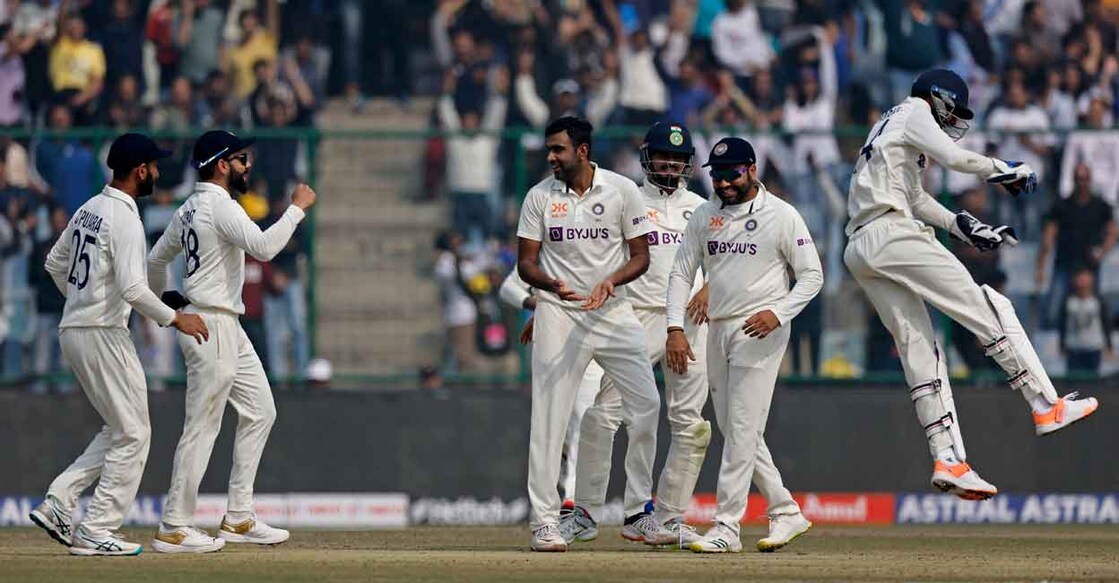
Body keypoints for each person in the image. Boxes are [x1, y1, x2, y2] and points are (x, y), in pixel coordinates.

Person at [843, 68, 1099, 502]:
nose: (954, 119)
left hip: (861, 246)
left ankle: (948, 459)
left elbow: (915, 197)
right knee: (989, 307)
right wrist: (1004, 168)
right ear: (938, 97)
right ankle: (1045, 404)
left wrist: (964, 226)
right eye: (954, 109)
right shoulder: (915, 111)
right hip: (892, 233)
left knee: (920, 349)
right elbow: (955, 159)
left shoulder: (889, 123)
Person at [28, 133, 209, 556]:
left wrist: (82, 299)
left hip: (76, 329)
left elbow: (55, 263)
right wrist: (175, 318)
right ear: (140, 170)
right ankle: (97, 527)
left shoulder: (89, 208)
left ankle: (59, 500)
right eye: (154, 167)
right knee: (135, 433)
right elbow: (132, 288)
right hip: (103, 333)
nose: (158, 173)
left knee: (121, 427)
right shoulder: (125, 218)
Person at [147, 130, 316, 553]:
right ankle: (174, 525)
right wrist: (296, 209)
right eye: (242, 159)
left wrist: (168, 299)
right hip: (211, 324)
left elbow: (156, 260)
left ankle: (239, 516)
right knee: (202, 425)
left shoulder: (189, 207)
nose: (248, 165)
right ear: (222, 165)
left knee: (261, 411)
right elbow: (265, 247)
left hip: (224, 324)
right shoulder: (219, 206)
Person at [665, 136, 821, 553]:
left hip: (760, 329)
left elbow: (812, 276)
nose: (724, 183)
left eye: (732, 174)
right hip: (717, 328)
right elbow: (681, 273)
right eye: (717, 176)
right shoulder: (705, 214)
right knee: (737, 429)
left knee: (740, 429)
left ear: (752, 169)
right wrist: (674, 327)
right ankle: (785, 509)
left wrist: (779, 313)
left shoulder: (782, 215)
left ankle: (727, 527)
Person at [557, 122, 704, 547]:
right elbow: (597, 256)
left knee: (691, 425)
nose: (671, 164)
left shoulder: (701, 207)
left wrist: (709, 289)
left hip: (691, 321)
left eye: (678, 158)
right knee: (604, 414)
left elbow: (720, 260)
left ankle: (662, 516)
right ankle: (585, 511)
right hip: (637, 317)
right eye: (663, 156)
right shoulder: (627, 199)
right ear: (647, 158)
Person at [517, 115, 659, 552]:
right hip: (559, 314)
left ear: (582, 151)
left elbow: (641, 257)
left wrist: (611, 281)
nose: (551, 157)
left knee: (647, 405)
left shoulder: (622, 190)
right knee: (549, 418)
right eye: (549, 149)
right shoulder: (539, 196)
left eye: (558, 149)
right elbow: (526, 263)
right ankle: (545, 522)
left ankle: (638, 512)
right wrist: (549, 286)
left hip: (613, 312)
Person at [498, 266, 602, 505]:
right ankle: (555, 492)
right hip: (553, 344)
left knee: (584, 419)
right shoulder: (545, 255)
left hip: (594, 339)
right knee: (555, 425)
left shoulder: (603, 251)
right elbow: (508, 289)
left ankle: (572, 498)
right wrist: (541, 306)